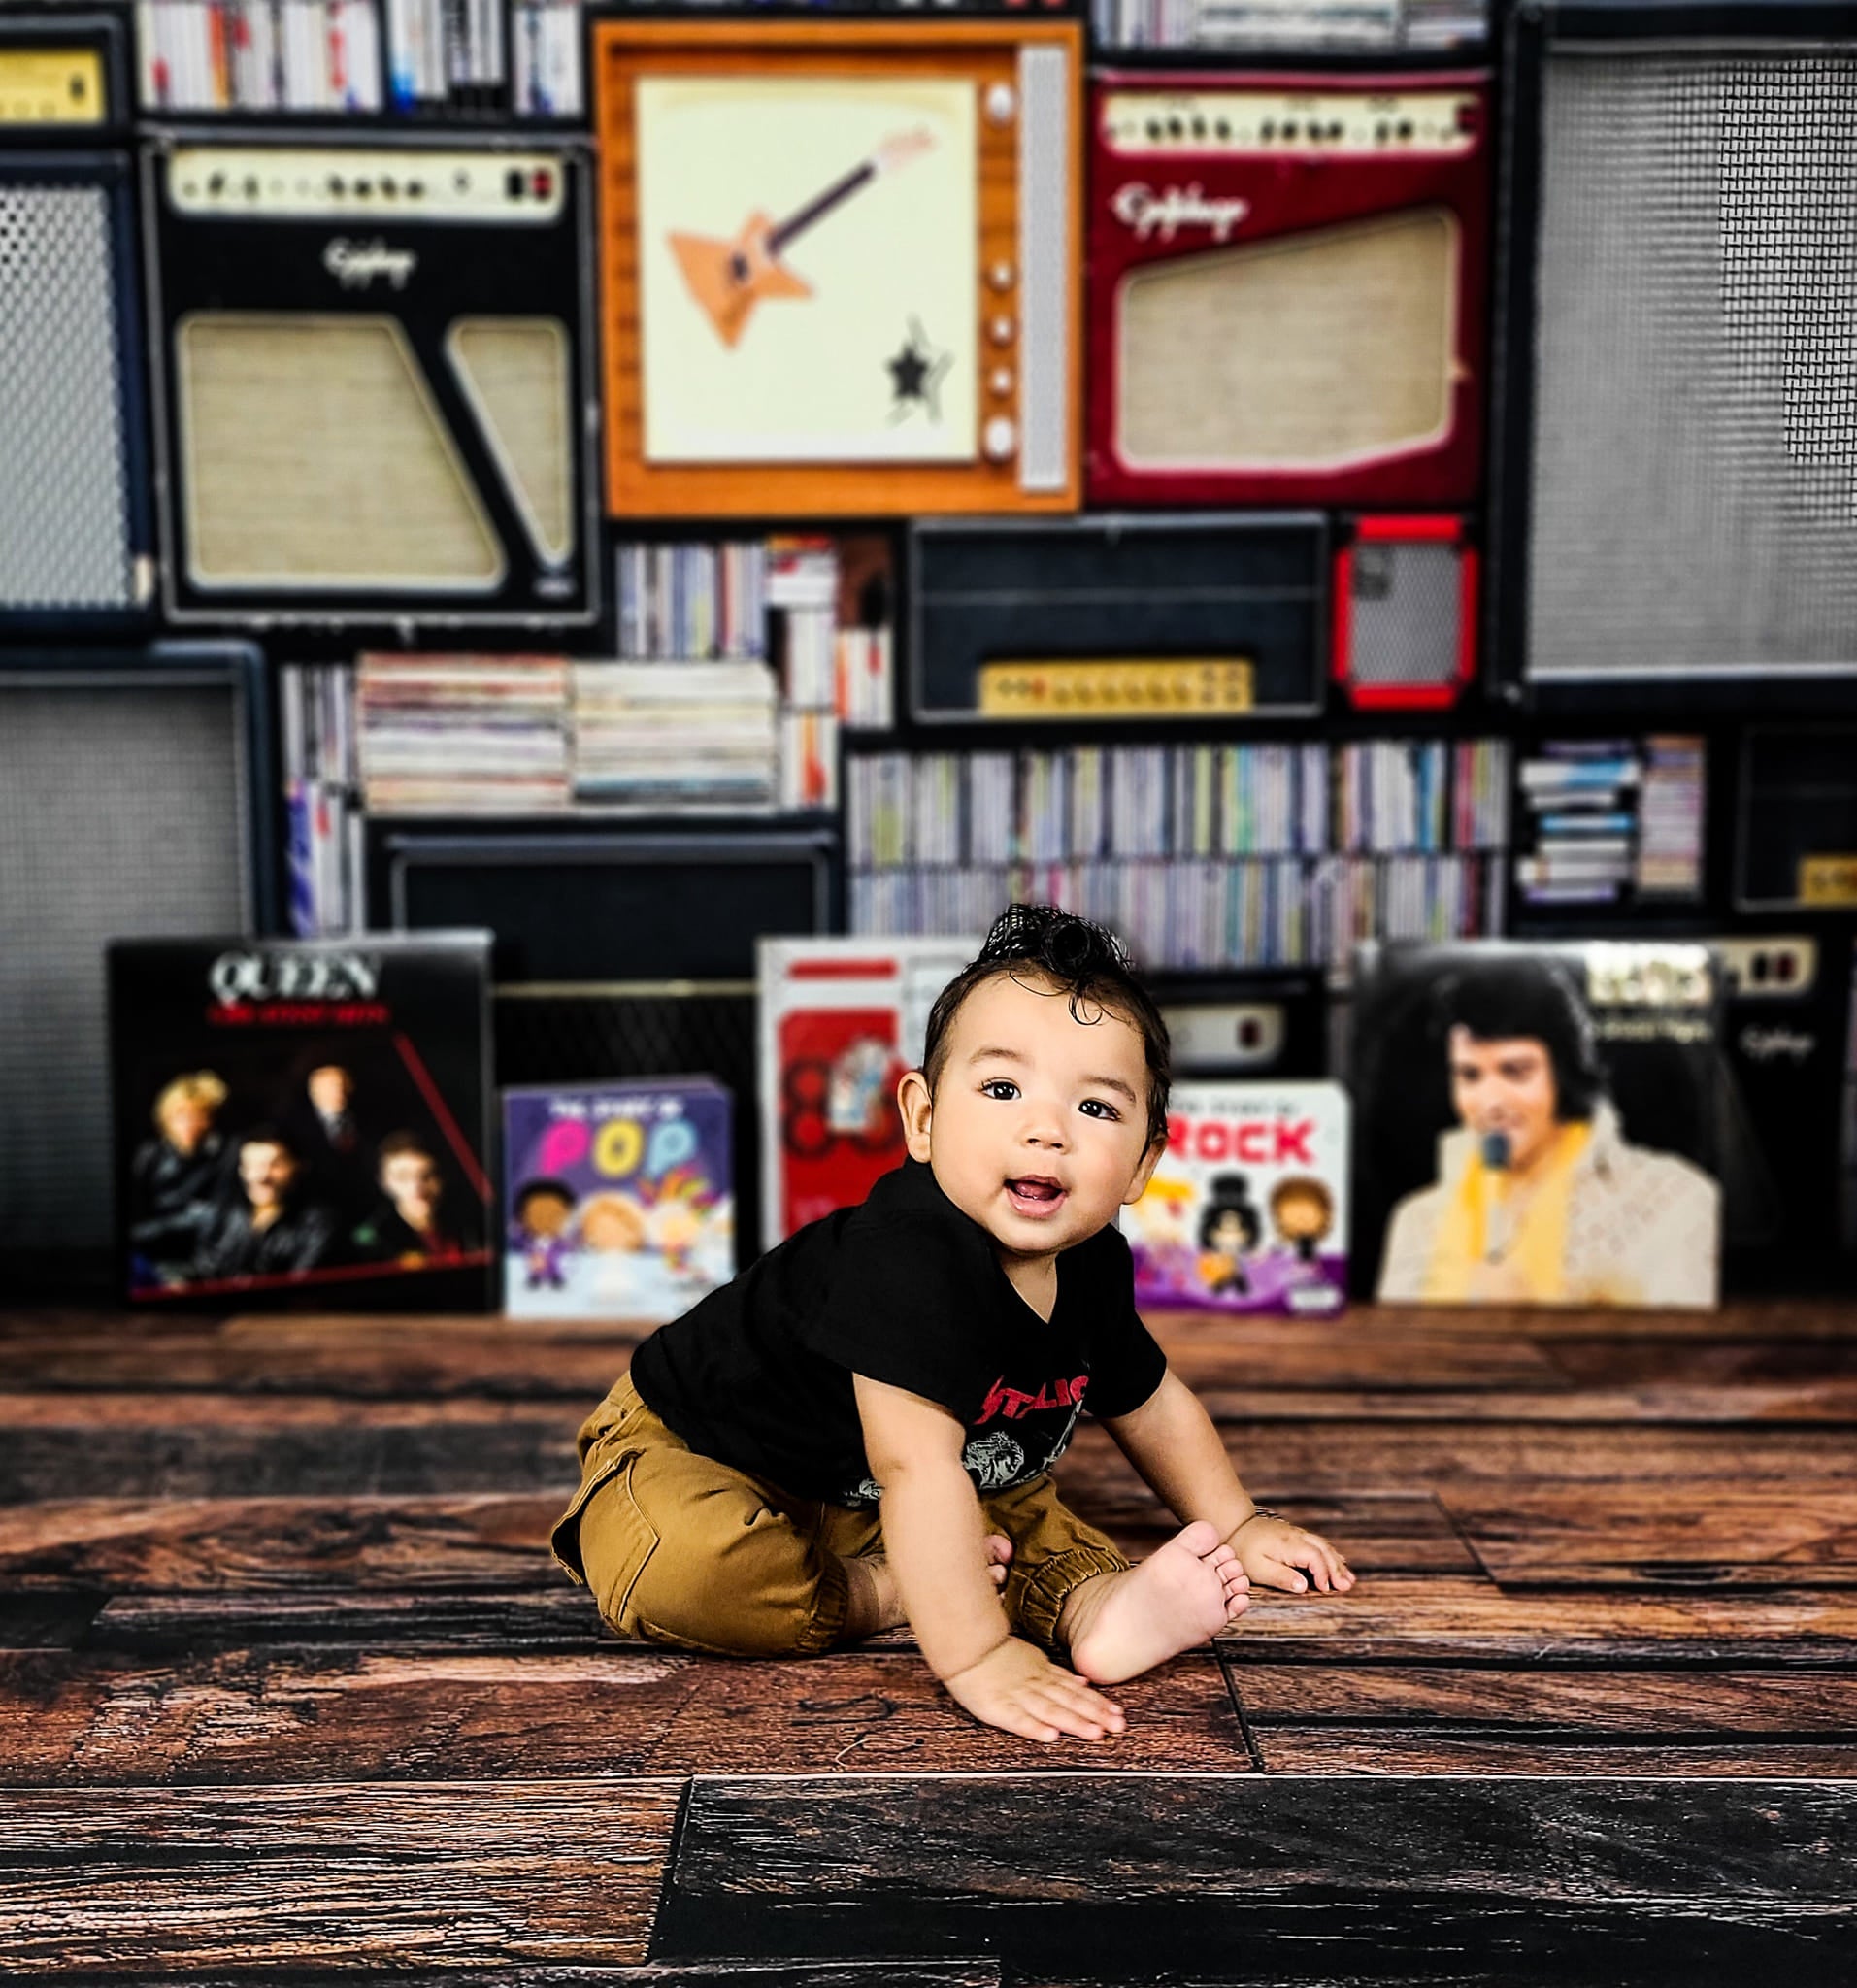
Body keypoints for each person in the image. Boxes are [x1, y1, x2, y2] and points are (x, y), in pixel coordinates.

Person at [551, 906, 1353, 1744]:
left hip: (897, 1478)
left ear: (1144, 1163)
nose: (1045, 1130)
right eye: (1002, 1089)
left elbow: (1149, 1402)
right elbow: (916, 1469)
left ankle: (1097, 1607)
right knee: (681, 1564)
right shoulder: (902, 1256)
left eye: (1097, 1108)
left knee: (1014, 1503)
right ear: (924, 1120)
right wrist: (977, 1657)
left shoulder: (1091, 1263)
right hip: (709, 1450)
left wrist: (1236, 1519)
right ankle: (890, 1590)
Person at [1376, 956, 1720, 1307]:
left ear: (1563, 1073)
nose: (1489, 1102)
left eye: (1515, 1071)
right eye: (1470, 1076)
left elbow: (1687, 1354)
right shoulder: (1417, 1221)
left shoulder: (1676, 1197)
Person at [191, 1128, 341, 1283]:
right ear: (241, 1170)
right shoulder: (221, 1215)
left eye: (275, 1165)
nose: (262, 1176)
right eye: (252, 1165)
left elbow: (300, 1286)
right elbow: (205, 1275)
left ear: (297, 1166)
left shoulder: (318, 1223)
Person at [128, 1071, 238, 1274]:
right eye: (181, 1115)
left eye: (199, 1115)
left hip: (204, 1257)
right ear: (166, 1117)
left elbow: (222, 1216)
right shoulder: (149, 1157)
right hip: (155, 1254)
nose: (190, 1124)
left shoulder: (226, 1154)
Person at [351, 1132, 476, 1265]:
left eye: (428, 1174)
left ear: (443, 1177)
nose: (417, 1187)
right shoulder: (372, 1240)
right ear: (385, 1183)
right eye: (403, 1177)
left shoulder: (468, 1227)